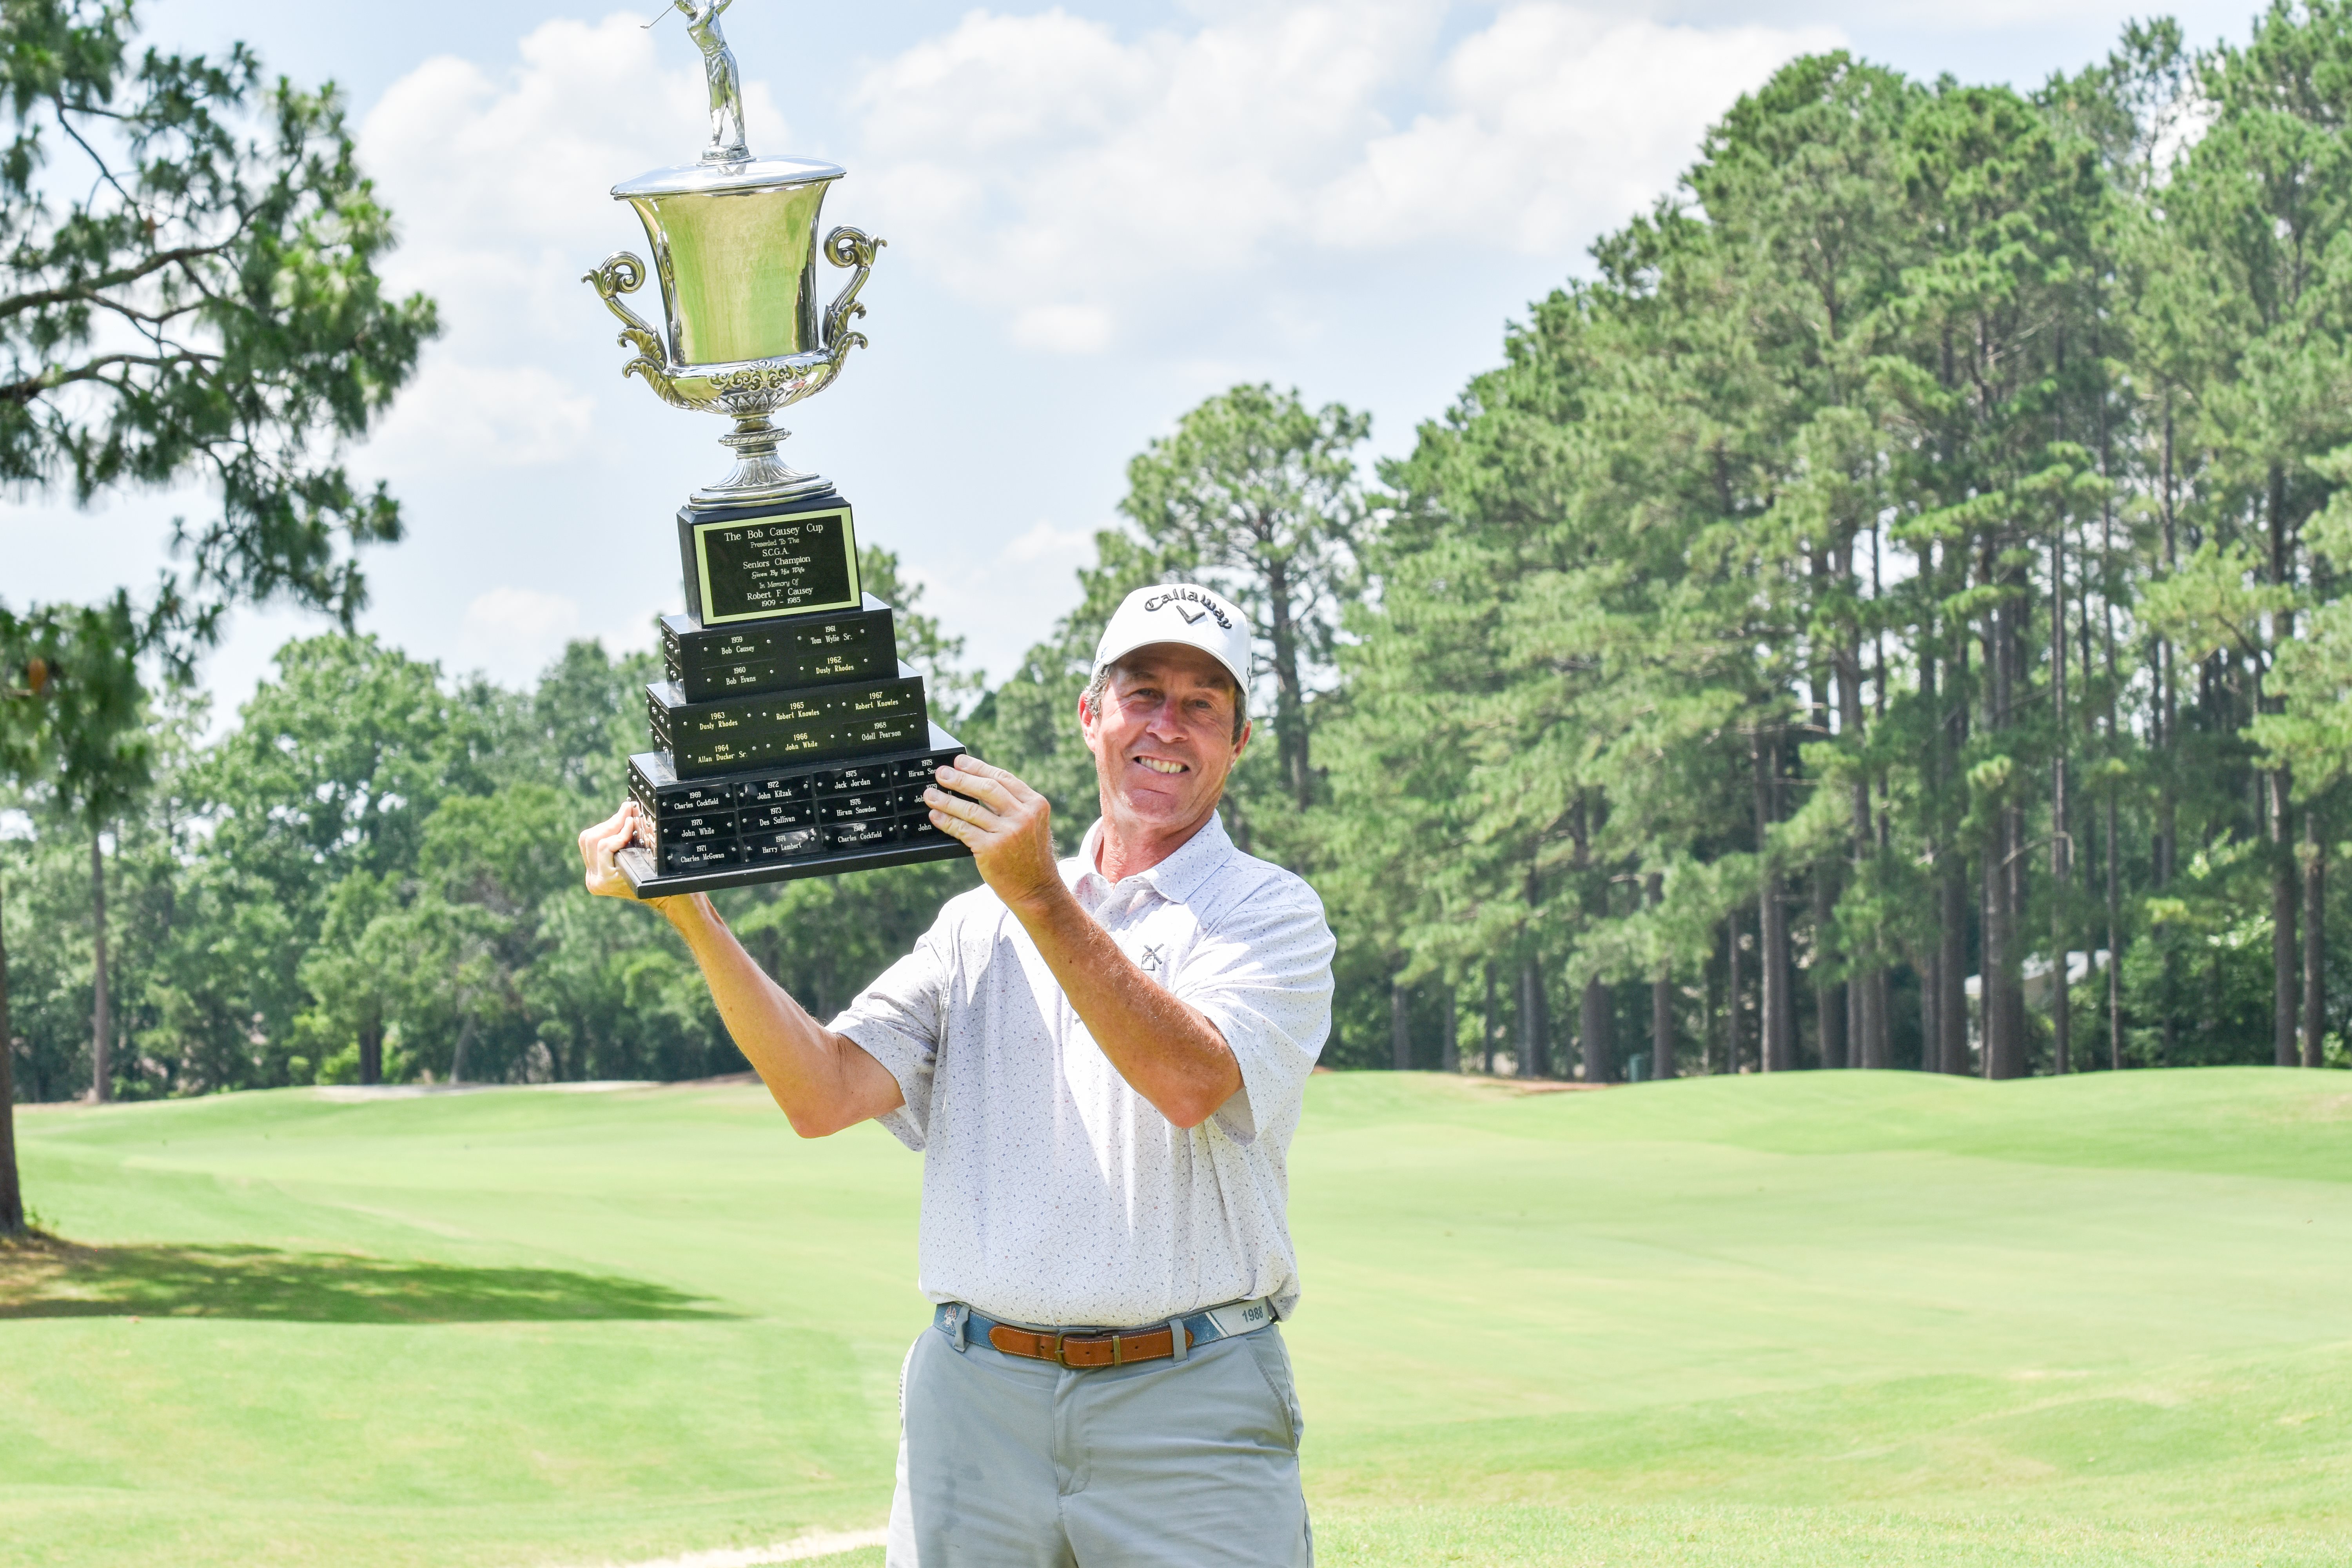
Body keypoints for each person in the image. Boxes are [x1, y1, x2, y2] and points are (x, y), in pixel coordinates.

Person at [577, 583, 1334, 1567]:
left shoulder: (1269, 912)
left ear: (1238, 739)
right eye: (1143, 692)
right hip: (975, 1404)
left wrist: (1039, 894)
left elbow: (1187, 1080)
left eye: (1203, 703)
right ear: (1091, 715)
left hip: (1188, 1400)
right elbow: (824, 1091)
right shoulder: (976, 925)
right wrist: (694, 915)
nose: (1168, 725)